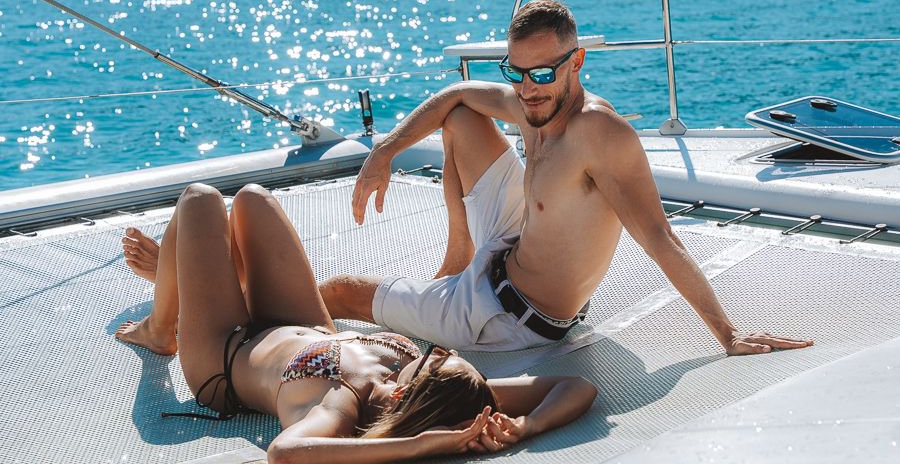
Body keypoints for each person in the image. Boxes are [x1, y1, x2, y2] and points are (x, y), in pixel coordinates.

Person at [319, 0, 815, 355]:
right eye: (516, 73)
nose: (528, 90)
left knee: (339, 292)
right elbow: (459, 93)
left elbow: (660, 236)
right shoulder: (528, 102)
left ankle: (275, 337)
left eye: (542, 74)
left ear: (576, 62)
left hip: (508, 316)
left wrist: (727, 334)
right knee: (463, 117)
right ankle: (457, 259)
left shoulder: (597, 133)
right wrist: (384, 150)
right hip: (508, 245)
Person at [115, 182, 597, 462]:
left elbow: (285, 454)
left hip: (224, 355)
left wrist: (419, 445)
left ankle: (164, 321)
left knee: (199, 200)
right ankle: (199, 275)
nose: (443, 353)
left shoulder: (343, 405)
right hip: (301, 324)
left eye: (436, 362)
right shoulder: (462, 394)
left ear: (410, 396)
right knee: (251, 199)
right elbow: (574, 386)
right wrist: (527, 426)